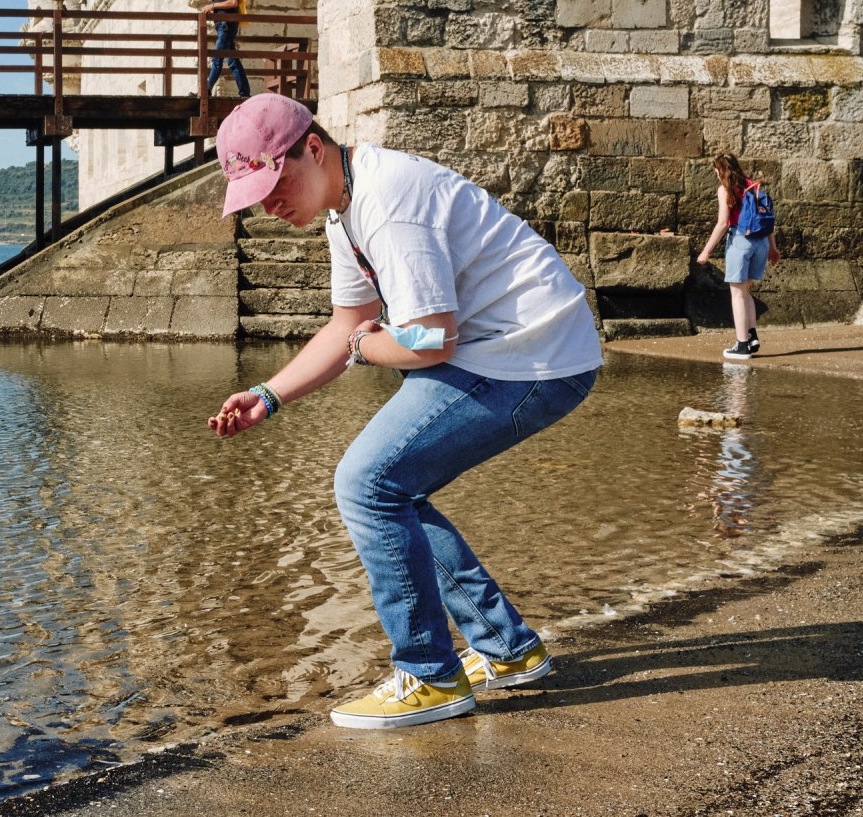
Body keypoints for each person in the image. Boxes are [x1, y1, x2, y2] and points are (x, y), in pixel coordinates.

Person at [206, 93, 602, 730]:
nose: (269, 205)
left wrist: (365, 345)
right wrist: (271, 395)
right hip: (502, 348)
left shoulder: (388, 204)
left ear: (314, 147)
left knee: (367, 484)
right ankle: (506, 650)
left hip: (533, 357)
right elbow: (349, 323)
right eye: (255, 195)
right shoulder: (344, 205)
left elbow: (424, 340)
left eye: (274, 182)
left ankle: (429, 675)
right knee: (394, 490)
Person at [696, 153, 780, 360]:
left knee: (737, 294)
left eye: (716, 170)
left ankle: (742, 345)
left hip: (740, 241)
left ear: (720, 170)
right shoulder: (754, 186)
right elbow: (766, 220)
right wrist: (773, 248)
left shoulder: (725, 189)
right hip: (760, 242)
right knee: (745, 291)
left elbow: (723, 223)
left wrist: (706, 251)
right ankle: (751, 337)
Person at [199, 0, 251, 98]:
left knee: (217, 57)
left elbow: (233, 1)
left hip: (226, 24)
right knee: (232, 59)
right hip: (222, 25)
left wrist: (212, 6)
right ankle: (244, 92)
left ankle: (206, 90)